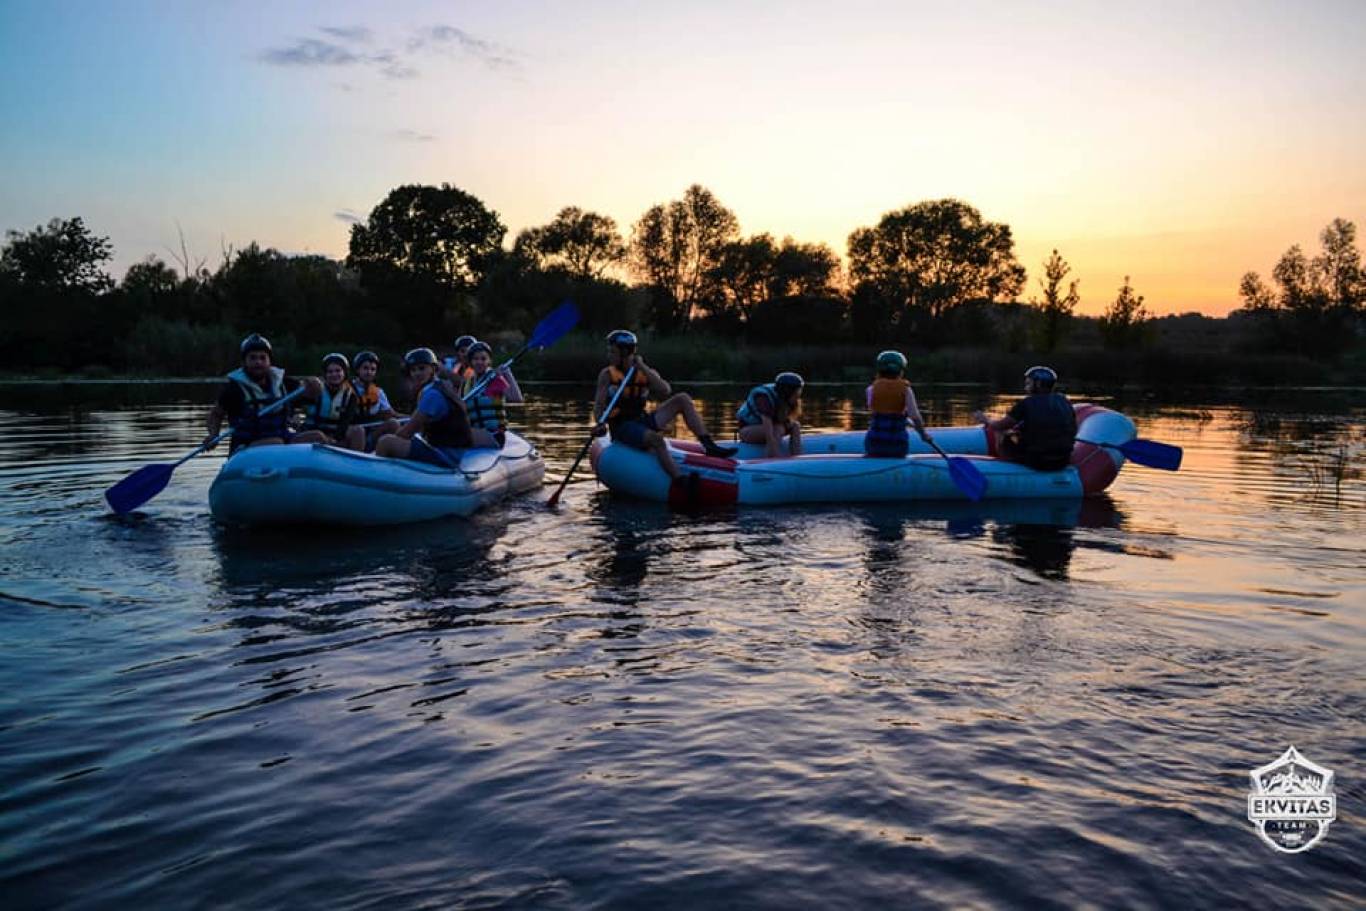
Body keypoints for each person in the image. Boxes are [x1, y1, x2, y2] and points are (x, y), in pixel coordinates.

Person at [592, 329, 736, 481]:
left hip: (642, 421)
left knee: (683, 399)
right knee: (657, 440)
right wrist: (599, 422)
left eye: (613, 352)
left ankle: (709, 446)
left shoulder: (644, 372)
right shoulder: (607, 375)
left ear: (625, 353)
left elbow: (665, 390)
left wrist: (642, 367)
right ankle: (679, 479)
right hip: (622, 426)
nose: (609, 356)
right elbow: (599, 406)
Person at [204, 333, 325, 454]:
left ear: (269, 361)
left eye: (263, 358)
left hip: (282, 439)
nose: (258, 362)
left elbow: (311, 394)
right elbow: (215, 414)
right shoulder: (233, 390)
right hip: (247, 446)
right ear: (244, 362)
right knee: (276, 442)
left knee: (317, 437)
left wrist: (315, 386)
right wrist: (214, 435)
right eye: (253, 358)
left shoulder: (284, 383)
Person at [374, 348, 475, 467]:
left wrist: (392, 439)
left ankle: (377, 477)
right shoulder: (441, 386)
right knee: (395, 432)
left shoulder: (432, 395)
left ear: (433, 369)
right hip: (447, 450)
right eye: (413, 370)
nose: (417, 374)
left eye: (422, 368)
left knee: (386, 442)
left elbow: (407, 432)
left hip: (446, 455)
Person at [972, 365, 1076, 471]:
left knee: (1001, 432)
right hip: (1062, 461)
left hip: (1037, 461)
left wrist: (985, 420)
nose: (1025, 387)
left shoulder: (1026, 404)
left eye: (1028, 383)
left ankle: (1003, 467)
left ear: (1038, 384)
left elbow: (999, 426)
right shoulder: (1064, 402)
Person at [864, 350, 931, 458]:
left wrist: (905, 420)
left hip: (874, 445)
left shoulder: (871, 389)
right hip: (897, 446)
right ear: (901, 371)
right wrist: (923, 435)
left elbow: (881, 412)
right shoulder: (906, 389)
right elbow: (914, 416)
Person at [461, 341, 524, 448]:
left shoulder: (494, 379)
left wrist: (507, 374)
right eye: (476, 359)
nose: (479, 362)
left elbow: (517, 398)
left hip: (495, 434)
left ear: (489, 361)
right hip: (476, 432)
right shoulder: (467, 383)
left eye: (483, 359)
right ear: (471, 362)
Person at [300, 353, 365, 451]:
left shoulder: (351, 396)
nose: (334, 374)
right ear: (325, 374)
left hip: (335, 436)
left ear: (344, 373)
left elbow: (345, 423)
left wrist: (334, 439)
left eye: (338, 371)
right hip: (313, 433)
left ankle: (356, 463)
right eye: (330, 372)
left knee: (358, 430)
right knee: (319, 436)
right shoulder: (314, 390)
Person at [736, 372, 804, 457]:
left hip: (767, 429)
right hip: (746, 431)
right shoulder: (763, 398)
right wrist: (772, 446)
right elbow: (767, 425)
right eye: (797, 391)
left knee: (795, 425)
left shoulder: (785, 399)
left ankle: (797, 457)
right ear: (788, 391)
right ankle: (771, 456)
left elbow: (785, 420)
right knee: (778, 428)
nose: (798, 394)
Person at [351, 350, 401, 449]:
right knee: (358, 431)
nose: (369, 372)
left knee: (393, 423)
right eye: (365, 368)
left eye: (372, 369)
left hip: (371, 434)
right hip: (352, 432)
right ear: (357, 370)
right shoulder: (346, 389)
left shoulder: (378, 392)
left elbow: (391, 414)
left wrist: (413, 417)